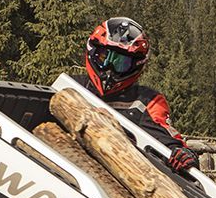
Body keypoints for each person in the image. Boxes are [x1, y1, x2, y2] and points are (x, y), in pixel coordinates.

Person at [83, 16, 198, 172]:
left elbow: (167, 138)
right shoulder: (70, 86)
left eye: (121, 64)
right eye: (104, 57)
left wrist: (183, 153)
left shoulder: (148, 102)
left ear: (135, 66)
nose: (109, 69)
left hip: (118, 181)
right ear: (93, 51)